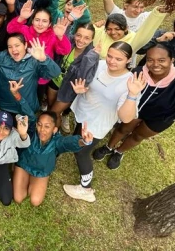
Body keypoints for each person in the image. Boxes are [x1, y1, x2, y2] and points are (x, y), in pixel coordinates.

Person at [93, 45, 175, 170]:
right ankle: (108, 147)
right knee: (122, 129)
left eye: (161, 60)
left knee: (138, 136)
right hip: (138, 110)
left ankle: (119, 152)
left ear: (171, 60)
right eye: (150, 60)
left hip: (162, 117)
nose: (155, 64)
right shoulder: (139, 72)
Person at [59, 42, 139, 202]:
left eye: (118, 59)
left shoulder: (130, 83)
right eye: (109, 56)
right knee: (77, 140)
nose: (112, 61)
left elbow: (126, 118)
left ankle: (86, 188)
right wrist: (81, 89)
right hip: (83, 113)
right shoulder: (99, 64)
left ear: (129, 60)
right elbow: (86, 81)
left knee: (82, 152)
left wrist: (132, 95)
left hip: (98, 123)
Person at [0, 35, 60, 133]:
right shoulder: (3, 56)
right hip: (6, 105)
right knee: (4, 133)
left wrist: (44, 59)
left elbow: (55, 73)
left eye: (17, 45)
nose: (13, 49)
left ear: (25, 45)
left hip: (27, 106)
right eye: (10, 47)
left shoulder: (34, 60)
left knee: (24, 134)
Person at [13, 111, 93, 206]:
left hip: (41, 171)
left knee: (35, 201)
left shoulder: (56, 141)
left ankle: (32, 180)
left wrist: (83, 141)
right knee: (18, 198)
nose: (42, 129)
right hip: (24, 164)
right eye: (39, 125)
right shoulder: (31, 132)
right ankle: (19, 173)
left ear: (54, 129)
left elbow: (68, 143)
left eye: (47, 126)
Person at [6, 0, 74, 106]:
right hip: (24, 74)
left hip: (42, 78)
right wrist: (21, 18)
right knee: (21, 96)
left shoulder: (53, 35)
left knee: (36, 98)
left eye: (44, 21)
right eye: (37, 20)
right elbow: (10, 29)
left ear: (50, 23)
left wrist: (61, 36)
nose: (40, 24)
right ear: (32, 21)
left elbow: (65, 50)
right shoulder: (26, 30)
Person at [48, 22, 96, 130]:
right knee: (50, 106)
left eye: (87, 38)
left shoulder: (91, 56)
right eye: (78, 35)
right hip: (55, 81)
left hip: (68, 90)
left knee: (54, 113)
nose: (81, 40)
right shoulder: (69, 42)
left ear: (92, 40)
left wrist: (89, 60)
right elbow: (59, 37)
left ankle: (55, 132)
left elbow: (86, 79)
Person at [92, 11, 166, 59]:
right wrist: (94, 26)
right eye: (109, 29)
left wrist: (157, 14)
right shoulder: (100, 32)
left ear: (126, 28)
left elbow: (145, 33)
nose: (113, 32)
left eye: (117, 29)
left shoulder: (133, 38)